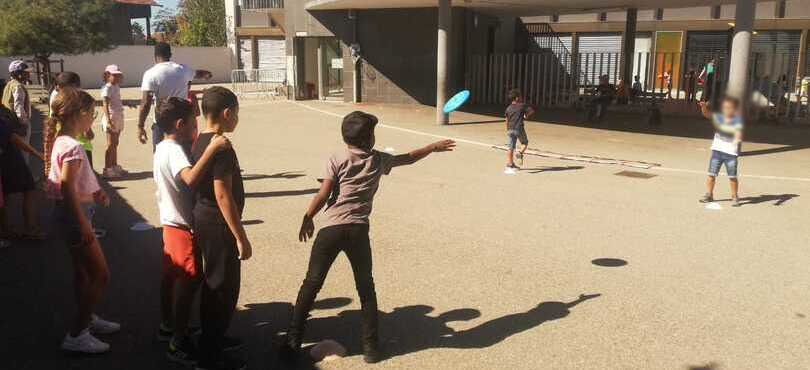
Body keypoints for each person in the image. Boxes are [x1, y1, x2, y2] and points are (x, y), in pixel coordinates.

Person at [279, 111, 456, 364]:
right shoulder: (378, 160)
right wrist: (431, 147)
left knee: (312, 283)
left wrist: (307, 216)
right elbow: (408, 158)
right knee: (366, 288)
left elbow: (323, 194)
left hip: (331, 229)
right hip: (359, 231)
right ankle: (371, 349)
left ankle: (291, 342)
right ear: (369, 138)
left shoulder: (337, 157)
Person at [152, 97, 231, 365]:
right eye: (193, 121)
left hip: (170, 222)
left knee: (171, 277)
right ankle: (178, 341)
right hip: (181, 225)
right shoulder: (174, 151)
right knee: (188, 280)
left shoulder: (162, 146)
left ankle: (168, 325)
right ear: (180, 124)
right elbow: (190, 178)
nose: (196, 125)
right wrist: (212, 148)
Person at [44, 88, 120, 354]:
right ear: (81, 114)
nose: (93, 118)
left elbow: (73, 183)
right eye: (92, 113)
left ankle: (87, 318)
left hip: (72, 214)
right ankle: (77, 333)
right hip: (76, 217)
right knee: (100, 274)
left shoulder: (62, 141)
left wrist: (95, 192)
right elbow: (66, 187)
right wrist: (85, 225)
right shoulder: (74, 147)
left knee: (83, 272)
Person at [191, 87, 250, 370]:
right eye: (237, 114)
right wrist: (241, 237)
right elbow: (222, 195)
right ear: (227, 114)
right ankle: (210, 355)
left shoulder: (200, 140)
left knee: (216, 283)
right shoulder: (222, 146)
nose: (238, 119)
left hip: (205, 219)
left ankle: (214, 338)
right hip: (218, 224)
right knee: (222, 288)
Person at [138, 42, 213, 150]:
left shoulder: (150, 74)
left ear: (155, 56)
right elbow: (198, 74)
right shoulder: (182, 69)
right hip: (182, 123)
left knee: (161, 157)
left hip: (162, 123)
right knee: (185, 157)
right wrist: (207, 74)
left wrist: (140, 126)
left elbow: (145, 103)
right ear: (170, 55)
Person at [0, 106, 44, 241]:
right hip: (9, 157)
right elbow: (13, 138)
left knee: (5, 193)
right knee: (29, 188)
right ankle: (30, 228)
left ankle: (6, 228)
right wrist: (37, 154)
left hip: (6, 156)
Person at [699, 97, 744, 207]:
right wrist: (703, 107)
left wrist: (737, 140)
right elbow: (707, 115)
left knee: (732, 177)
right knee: (711, 174)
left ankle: (734, 196)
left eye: (729, 108)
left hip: (731, 154)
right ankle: (709, 194)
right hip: (717, 151)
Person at [50, 72, 95, 172]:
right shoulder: (73, 149)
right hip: (82, 146)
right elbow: (69, 186)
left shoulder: (58, 100)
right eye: (91, 113)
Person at [2, 60, 32, 165]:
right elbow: (18, 106)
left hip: (9, 123)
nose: (28, 74)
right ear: (17, 74)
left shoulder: (9, 85)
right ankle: (26, 179)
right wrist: (23, 124)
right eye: (25, 72)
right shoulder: (18, 86)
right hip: (18, 124)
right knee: (23, 152)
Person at [100, 65, 128, 179]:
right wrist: (108, 120)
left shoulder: (116, 86)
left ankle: (114, 166)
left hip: (118, 116)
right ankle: (107, 169)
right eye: (114, 75)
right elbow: (105, 105)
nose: (117, 77)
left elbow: (116, 101)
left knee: (115, 143)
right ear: (107, 75)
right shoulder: (106, 88)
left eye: (118, 75)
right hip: (111, 118)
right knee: (110, 144)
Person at [504, 89, 534, 174]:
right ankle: (520, 153)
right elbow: (531, 111)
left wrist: (507, 129)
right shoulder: (522, 105)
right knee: (524, 142)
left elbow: (506, 119)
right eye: (520, 96)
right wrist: (526, 116)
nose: (521, 98)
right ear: (517, 98)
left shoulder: (508, 108)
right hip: (518, 128)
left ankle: (510, 164)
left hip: (510, 129)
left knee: (510, 147)